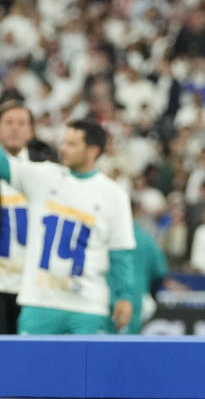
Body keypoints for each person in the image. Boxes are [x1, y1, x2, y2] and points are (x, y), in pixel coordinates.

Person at [0, 119, 137, 335]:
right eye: (65, 142)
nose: (63, 148)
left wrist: (125, 297)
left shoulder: (114, 195)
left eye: (72, 144)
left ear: (93, 151)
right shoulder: (43, 176)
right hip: (39, 301)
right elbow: (5, 166)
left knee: (86, 369)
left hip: (88, 305)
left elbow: (121, 254)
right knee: (28, 368)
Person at [0, 100, 33, 333]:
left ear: (31, 130)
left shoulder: (46, 169)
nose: (15, 128)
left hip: (33, 288)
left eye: (22, 123)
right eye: (8, 122)